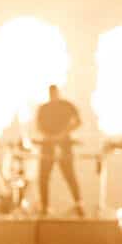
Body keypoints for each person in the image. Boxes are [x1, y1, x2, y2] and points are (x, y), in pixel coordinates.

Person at [34, 83, 84, 216]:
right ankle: (44, 206)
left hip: (64, 145)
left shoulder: (67, 106)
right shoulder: (43, 108)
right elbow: (38, 125)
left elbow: (78, 121)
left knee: (69, 176)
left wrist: (64, 133)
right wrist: (50, 137)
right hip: (48, 146)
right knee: (43, 177)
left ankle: (78, 204)